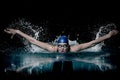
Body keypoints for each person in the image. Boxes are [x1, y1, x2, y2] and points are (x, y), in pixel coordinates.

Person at [4, 28, 119, 53]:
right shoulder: (51, 48)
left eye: (64, 46)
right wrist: (18, 32)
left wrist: (108, 36)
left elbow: (93, 43)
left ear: (68, 46)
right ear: (57, 45)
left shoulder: (74, 48)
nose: (62, 48)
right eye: (60, 46)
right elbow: (33, 41)